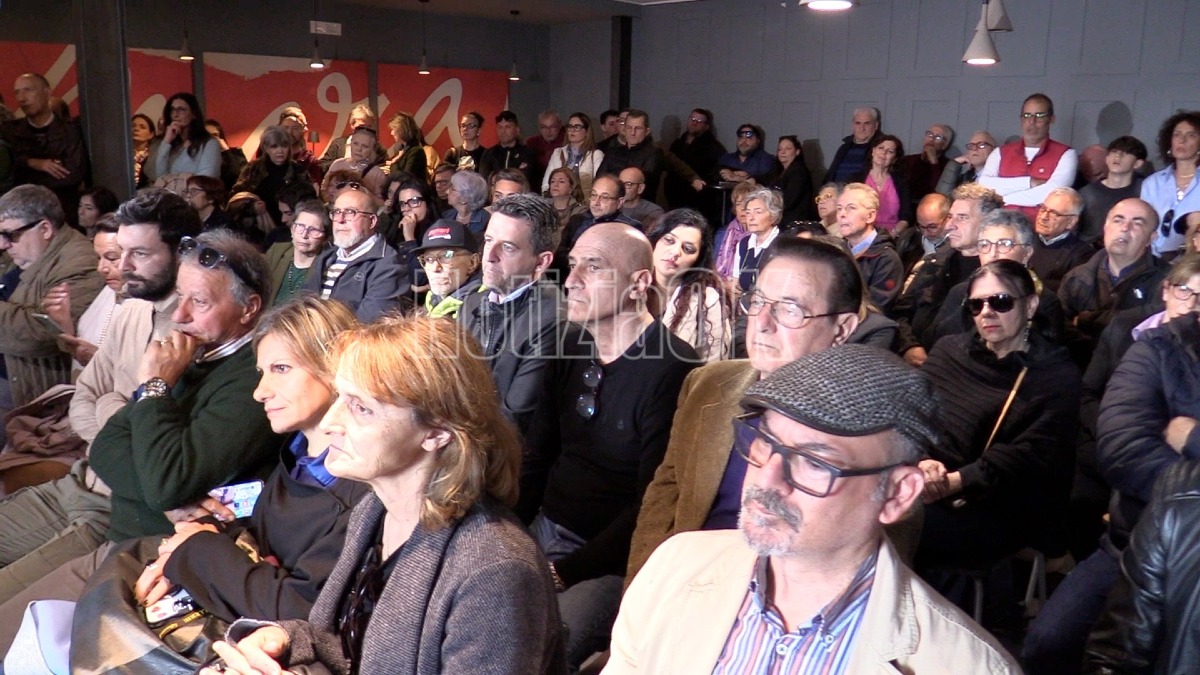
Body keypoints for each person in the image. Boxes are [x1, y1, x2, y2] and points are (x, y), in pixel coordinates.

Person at [608, 344, 1021, 674]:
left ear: (897, 494)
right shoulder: (674, 568)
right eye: (765, 442)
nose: (766, 481)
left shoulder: (966, 664)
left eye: (814, 462)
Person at [204, 316, 567, 675]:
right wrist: (283, 638)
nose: (331, 423)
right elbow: (348, 645)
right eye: (341, 398)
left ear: (437, 433)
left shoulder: (495, 569)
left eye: (361, 408)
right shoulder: (375, 511)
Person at [0, 229, 281, 649]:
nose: (180, 315)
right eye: (180, 297)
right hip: (120, 514)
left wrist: (153, 387)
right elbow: (109, 447)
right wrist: (166, 495)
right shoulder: (192, 352)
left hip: (138, 547)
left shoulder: (250, 380)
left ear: (248, 308)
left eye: (200, 302)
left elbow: (166, 477)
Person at [628, 236, 864, 581]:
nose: (762, 322)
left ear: (841, 329)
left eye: (789, 309)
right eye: (758, 302)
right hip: (686, 578)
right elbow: (666, 492)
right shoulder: (706, 383)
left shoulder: (869, 430)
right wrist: (642, 587)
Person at [0, 189, 196, 600]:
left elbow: (154, 446)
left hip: (112, 508)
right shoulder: (131, 310)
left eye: (138, 254)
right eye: (118, 252)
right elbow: (84, 398)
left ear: (182, 251)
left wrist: (112, 409)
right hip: (77, 481)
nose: (121, 267)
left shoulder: (194, 330)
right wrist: (116, 411)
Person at [126, 297, 369, 627]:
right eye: (261, 372)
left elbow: (302, 609)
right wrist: (193, 544)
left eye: (280, 369)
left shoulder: (365, 490)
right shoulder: (295, 453)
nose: (259, 392)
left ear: (335, 367)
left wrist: (196, 551)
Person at [520, 222, 698, 668]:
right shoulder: (569, 343)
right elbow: (537, 457)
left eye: (592, 267)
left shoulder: (672, 368)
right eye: (572, 264)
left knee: (537, 651)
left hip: (606, 558)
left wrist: (565, 571)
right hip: (544, 526)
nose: (572, 279)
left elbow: (651, 505)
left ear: (639, 284)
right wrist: (503, 531)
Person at [1024, 281, 1200, 673]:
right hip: (1132, 542)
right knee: (1048, 644)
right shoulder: (1158, 348)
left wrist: (1192, 436)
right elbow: (1125, 449)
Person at [917, 260, 1080, 585]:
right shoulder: (949, 351)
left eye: (1001, 302)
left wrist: (953, 481)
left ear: (1030, 305)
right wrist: (922, 461)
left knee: (893, 521)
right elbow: (912, 414)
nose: (986, 313)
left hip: (994, 502)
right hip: (924, 481)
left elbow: (1029, 458)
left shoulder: (1056, 375)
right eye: (976, 304)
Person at [458, 194, 563, 433]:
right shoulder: (473, 301)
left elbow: (512, 422)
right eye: (488, 240)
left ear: (541, 262)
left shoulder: (555, 322)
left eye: (507, 247)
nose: (490, 256)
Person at [1084, 460, 1200, 674]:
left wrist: (1190, 439)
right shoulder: (1180, 491)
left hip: (1140, 541)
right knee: (1048, 640)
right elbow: (1121, 453)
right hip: (1120, 544)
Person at [0, 185, 104, 409]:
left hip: (35, 395)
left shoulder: (80, 263)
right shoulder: (24, 254)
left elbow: (45, 332)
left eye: (10, 235)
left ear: (45, 229)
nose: (3, 244)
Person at [891, 182, 1000, 364]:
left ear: (989, 222)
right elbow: (900, 312)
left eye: (962, 217)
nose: (950, 225)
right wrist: (909, 346)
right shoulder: (935, 262)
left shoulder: (998, 279)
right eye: (950, 217)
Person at [1058, 198, 1168, 359]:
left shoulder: (1168, 283)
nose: (1124, 228)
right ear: (1105, 228)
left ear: (1151, 238)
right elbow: (1059, 331)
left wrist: (1087, 321)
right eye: (1118, 220)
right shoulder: (1076, 278)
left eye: (1137, 223)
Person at [301, 185, 408, 322]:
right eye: (336, 212)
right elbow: (302, 307)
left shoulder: (389, 266)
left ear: (372, 221)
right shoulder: (325, 258)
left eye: (350, 212)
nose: (340, 220)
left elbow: (369, 327)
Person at [41, 213, 123, 370]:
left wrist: (99, 361)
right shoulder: (107, 291)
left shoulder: (148, 303)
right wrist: (64, 325)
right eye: (99, 258)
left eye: (112, 258)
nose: (101, 269)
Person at [979, 93, 1078, 221]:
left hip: (1042, 229)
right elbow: (984, 185)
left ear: (1051, 119)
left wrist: (1001, 198)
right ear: (1021, 119)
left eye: (1039, 116)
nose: (1032, 121)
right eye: (1027, 116)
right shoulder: (1000, 152)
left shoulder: (1066, 153)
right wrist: (1029, 182)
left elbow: (1053, 194)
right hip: (1000, 226)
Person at [648, 209, 731, 362]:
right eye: (669, 240)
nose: (675, 252)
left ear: (697, 260)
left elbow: (713, 366)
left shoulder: (707, 300)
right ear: (655, 240)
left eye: (688, 249)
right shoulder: (628, 284)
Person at [0, 73, 88, 212]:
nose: (22, 98)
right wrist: (33, 163)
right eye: (17, 92)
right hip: (21, 211)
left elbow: (72, 175)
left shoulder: (70, 130)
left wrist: (25, 169)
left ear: (47, 93)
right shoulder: (9, 131)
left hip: (62, 210)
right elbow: (8, 172)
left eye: (28, 90)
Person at [597, 109, 705, 202]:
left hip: (643, 206)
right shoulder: (613, 152)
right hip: (614, 203)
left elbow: (679, 166)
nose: (632, 133)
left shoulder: (656, 152)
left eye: (638, 128)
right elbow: (600, 176)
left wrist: (694, 179)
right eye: (629, 128)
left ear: (647, 131)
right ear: (624, 129)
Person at [1140, 110, 1200, 258]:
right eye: (1177, 134)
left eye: (1191, 135)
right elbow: (1143, 224)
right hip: (1152, 262)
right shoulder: (1152, 183)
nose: (1182, 140)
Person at [837, 182, 904, 311]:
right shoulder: (836, 251)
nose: (842, 214)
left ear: (870, 216)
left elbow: (876, 308)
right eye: (839, 208)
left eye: (851, 208)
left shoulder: (887, 259)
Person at [1079, 135, 1147, 244]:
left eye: (1126, 153)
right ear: (1107, 158)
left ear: (1137, 163)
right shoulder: (1087, 193)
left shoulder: (1145, 191)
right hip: (1089, 254)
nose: (1118, 156)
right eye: (1114, 151)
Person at [232, 125, 303, 228]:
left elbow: (308, 202)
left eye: (284, 146)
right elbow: (235, 198)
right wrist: (252, 207)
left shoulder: (298, 170)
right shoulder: (253, 169)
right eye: (274, 146)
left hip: (290, 226)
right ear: (266, 148)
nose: (280, 151)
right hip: (257, 227)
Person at [1029, 186, 1096, 293]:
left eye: (1054, 214)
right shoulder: (1024, 237)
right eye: (1043, 208)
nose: (1044, 217)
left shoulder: (1082, 255)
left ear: (1071, 222)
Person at [665, 108, 726, 220]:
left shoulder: (714, 149)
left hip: (698, 203)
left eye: (699, 121)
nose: (694, 123)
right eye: (692, 119)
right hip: (674, 200)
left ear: (706, 126)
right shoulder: (677, 144)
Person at [414, 219, 482, 318]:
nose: (435, 268)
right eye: (428, 259)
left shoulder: (484, 308)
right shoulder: (432, 301)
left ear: (472, 263)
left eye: (447, 256)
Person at [148, 93, 220, 182]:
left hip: (196, 194)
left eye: (181, 110)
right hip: (170, 194)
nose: (175, 115)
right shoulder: (170, 144)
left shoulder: (209, 144)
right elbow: (160, 177)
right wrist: (166, 141)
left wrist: (174, 181)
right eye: (172, 110)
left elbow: (205, 180)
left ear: (193, 114)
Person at [268, 198, 328, 306]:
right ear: (292, 229)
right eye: (300, 226)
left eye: (313, 230)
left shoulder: (326, 265)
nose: (304, 235)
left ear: (324, 238)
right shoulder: (277, 251)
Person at [851, 134, 913, 232]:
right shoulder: (856, 179)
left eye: (890, 151)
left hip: (893, 236)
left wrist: (893, 235)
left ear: (895, 159)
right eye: (881, 148)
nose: (883, 153)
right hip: (861, 232)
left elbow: (906, 216)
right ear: (873, 151)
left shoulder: (901, 181)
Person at [730, 186, 783, 296]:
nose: (751, 217)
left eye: (758, 212)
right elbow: (735, 285)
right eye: (748, 212)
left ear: (773, 216)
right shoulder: (743, 243)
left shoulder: (783, 245)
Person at [542, 112, 604, 195]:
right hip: (559, 200)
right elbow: (546, 183)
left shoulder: (596, 155)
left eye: (577, 127)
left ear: (586, 131)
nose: (572, 130)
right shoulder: (558, 153)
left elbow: (599, 184)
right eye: (570, 126)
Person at [894, 192, 951, 275]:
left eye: (932, 227)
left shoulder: (955, 251)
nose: (925, 233)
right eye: (921, 226)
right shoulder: (908, 238)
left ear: (948, 219)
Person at [317, 103, 380, 174]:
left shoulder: (378, 147)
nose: (364, 130)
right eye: (361, 126)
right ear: (352, 125)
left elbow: (383, 169)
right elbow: (322, 167)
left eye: (369, 127)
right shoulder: (338, 144)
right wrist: (342, 163)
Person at [899, 123, 954, 201]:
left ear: (944, 145)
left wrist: (934, 162)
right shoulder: (908, 160)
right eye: (929, 134)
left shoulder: (948, 166)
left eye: (938, 137)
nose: (931, 140)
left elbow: (938, 191)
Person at [826, 107, 882, 183]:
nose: (862, 128)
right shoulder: (844, 148)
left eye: (867, 123)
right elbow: (830, 176)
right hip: (836, 192)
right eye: (858, 123)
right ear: (852, 125)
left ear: (876, 126)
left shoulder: (881, 149)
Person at [327, 127, 387, 198]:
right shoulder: (337, 164)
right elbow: (324, 190)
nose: (359, 149)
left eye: (365, 146)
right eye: (355, 144)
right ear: (350, 144)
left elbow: (382, 203)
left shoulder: (377, 174)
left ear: (372, 150)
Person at [479, 110, 535, 186]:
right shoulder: (489, 154)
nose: (503, 131)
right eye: (500, 127)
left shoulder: (527, 153)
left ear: (517, 129)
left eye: (507, 127)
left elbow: (525, 179)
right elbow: (484, 180)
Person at [770, 134, 816, 225]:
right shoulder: (778, 171)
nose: (783, 152)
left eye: (788, 148)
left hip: (794, 223)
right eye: (780, 149)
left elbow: (788, 201)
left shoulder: (799, 172)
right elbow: (763, 177)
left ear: (797, 152)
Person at [936, 130, 997, 197]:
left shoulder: (999, 176)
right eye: (971, 146)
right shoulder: (966, 178)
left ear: (993, 150)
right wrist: (955, 163)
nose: (975, 149)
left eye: (981, 145)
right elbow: (942, 198)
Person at [204, 118, 249, 194]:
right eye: (207, 135)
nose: (211, 139)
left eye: (214, 135)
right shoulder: (197, 157)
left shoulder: (235, 153)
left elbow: (237, 174)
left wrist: (226, 151)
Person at [384, 111, 428, 183]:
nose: (391, 133)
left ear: (401, 129)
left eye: (393, 129)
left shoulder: (416, 151)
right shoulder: (400, 149)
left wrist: (393, 164)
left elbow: (406, 178)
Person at [443, 169, 491, 235]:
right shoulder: (446, 216)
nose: (447, 192)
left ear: (464, 198)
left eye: (453, 189)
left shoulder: (486, 220)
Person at [527, 109, 565, 191]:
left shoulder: (567, 142)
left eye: (552, 127)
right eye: (544, 127)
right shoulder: (532, 143)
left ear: (560, 125)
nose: (548, 131)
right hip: (537, 187)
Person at [131, 113, 156, 187]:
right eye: (133, 126)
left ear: (151, 134)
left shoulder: (154, 156)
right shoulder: (122, 155)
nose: (136, 129)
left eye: (142, 127)